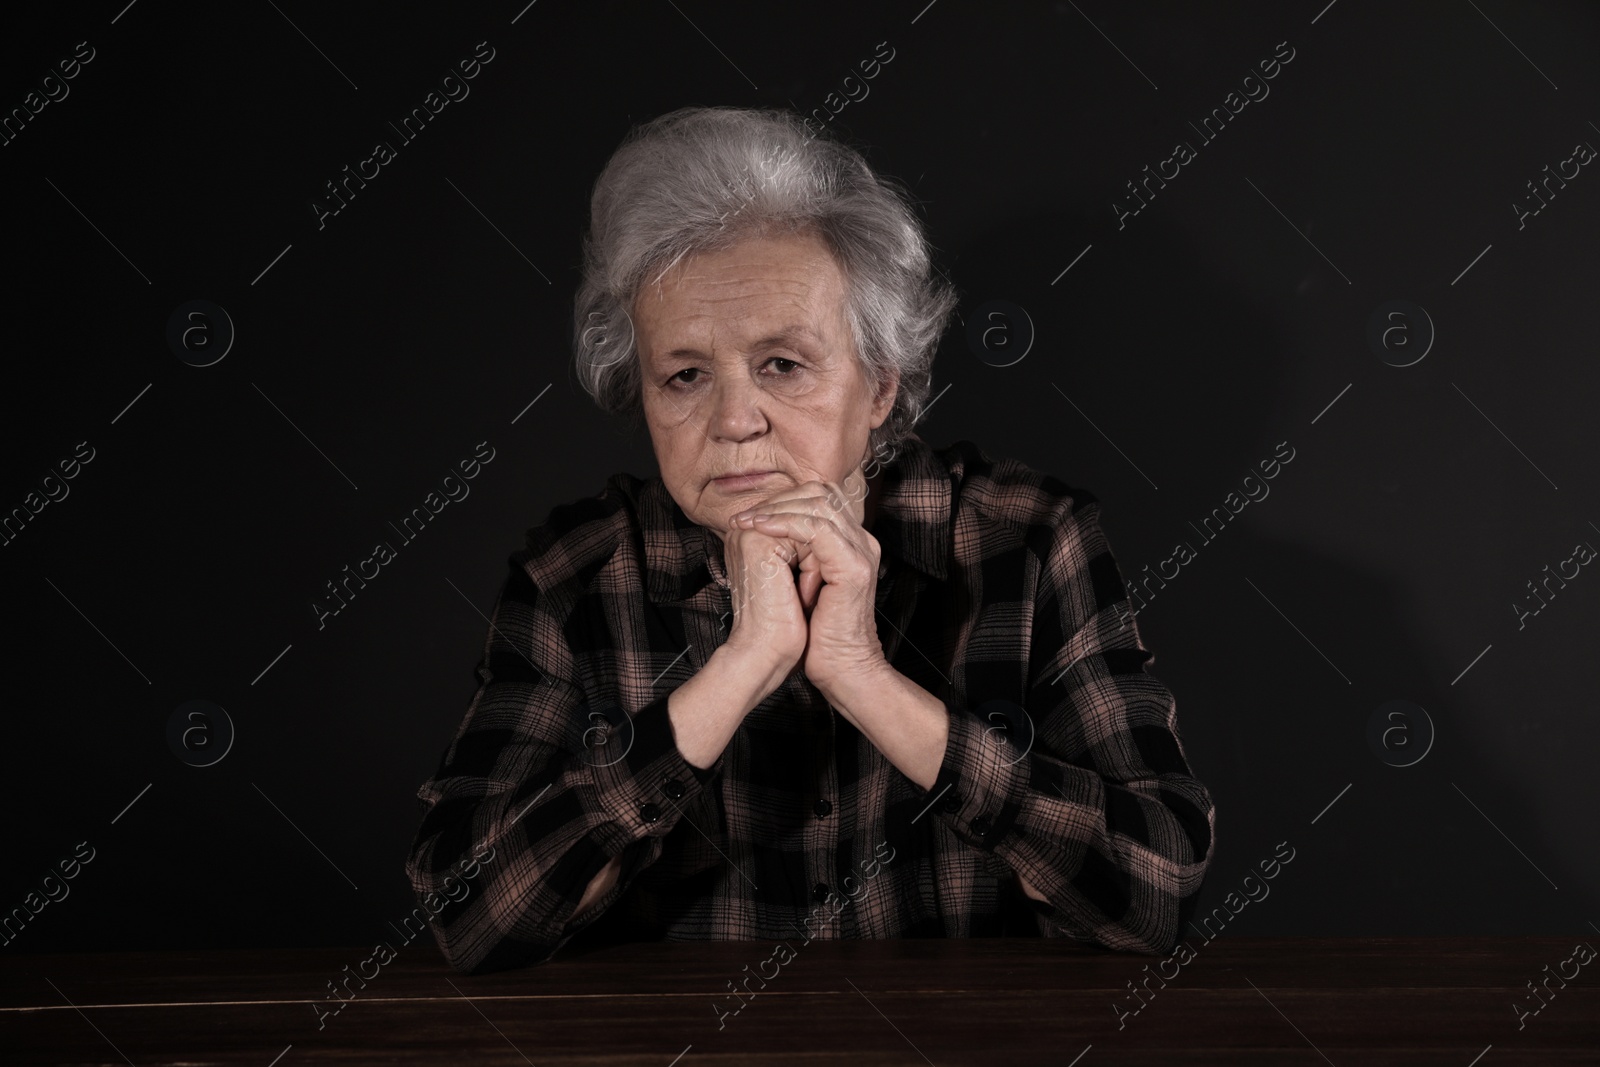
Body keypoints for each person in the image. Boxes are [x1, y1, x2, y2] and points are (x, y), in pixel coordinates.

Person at [404, 105, 1215, 975]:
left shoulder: (1029, 541)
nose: (734, 421)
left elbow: (1155, 896)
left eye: (782, 365)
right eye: (684, 375)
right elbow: (468, 917)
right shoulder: (577, 576)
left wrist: (865, 678)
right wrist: (737, 669)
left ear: (878, 389)